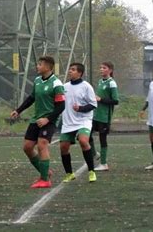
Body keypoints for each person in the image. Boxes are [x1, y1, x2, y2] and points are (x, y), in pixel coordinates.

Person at [10, 56, 65, 188]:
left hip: (49, 120)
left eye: (40, 64)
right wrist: (18, 110)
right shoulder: (37, 81)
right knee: (27, 147)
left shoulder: (56, 84)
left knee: (42, 145)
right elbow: (31, 98)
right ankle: (45, 172)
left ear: (48, 67)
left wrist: (47, 119)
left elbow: (61, 106)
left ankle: (44, 179)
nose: (37, 66)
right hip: (36, 119)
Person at [60, 63, 98, 183]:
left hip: (83, 120)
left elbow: (93, 104)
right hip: (68, 121)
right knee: (63, 147)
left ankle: (91, 171)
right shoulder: (64, 86)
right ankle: (69, 174)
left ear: (80, 73)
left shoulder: (86, 86)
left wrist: (80, 108)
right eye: (70, 69)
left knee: (83, 141)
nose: (70, 71)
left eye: (73, 70)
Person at [90, 61, 119, 171]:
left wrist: (101, 99)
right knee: (85, 135)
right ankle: (94, 154)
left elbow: (115, 101)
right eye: (100, 67)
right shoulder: (100, 81)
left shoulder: (112, 83)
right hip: (96, 115)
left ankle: (104, 163)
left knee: (103, 139)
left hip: (104, 116)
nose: (101, 69)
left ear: (110, 70)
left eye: (104, 68)